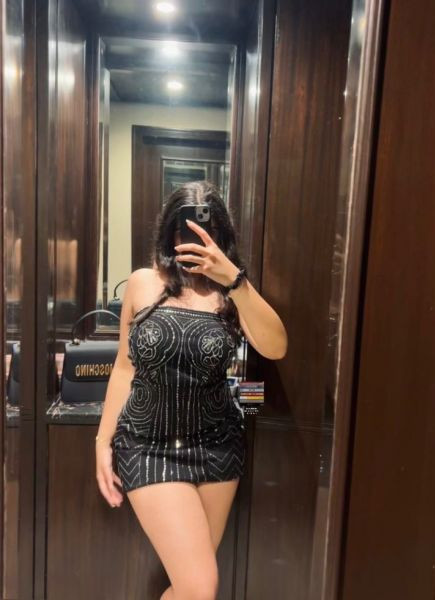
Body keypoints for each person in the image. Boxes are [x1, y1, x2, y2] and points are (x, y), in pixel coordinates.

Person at [95, 180, 288, 600]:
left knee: (190, 588)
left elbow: (275, 347)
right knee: (201, 588)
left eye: (209, 232)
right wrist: (102, 441)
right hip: (148, 445)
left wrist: (234, 280)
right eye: (186, 230)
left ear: (222, 236)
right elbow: (125, 367)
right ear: (170, 232)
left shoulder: (232, 292)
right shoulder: (143, 282)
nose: (197, 241)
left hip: (218, 446)